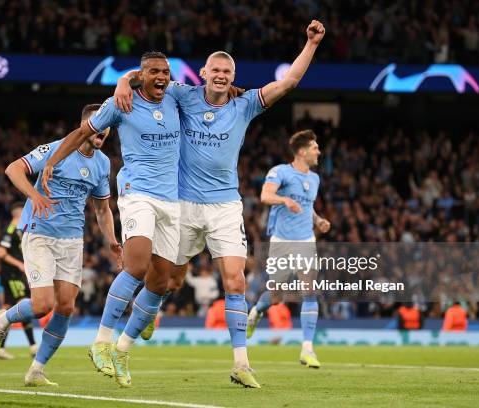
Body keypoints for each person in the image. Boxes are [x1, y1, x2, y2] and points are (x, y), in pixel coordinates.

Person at [114, 20, 326, 388]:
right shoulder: (182, 95)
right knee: (167, 282)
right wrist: (123, 81)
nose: (222, 76)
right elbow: (150, 76)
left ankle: (240, 363)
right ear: (203, 73)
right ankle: (126, 338)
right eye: (216, 70)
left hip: (225, 206)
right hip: (181, 204)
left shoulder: (245, 104)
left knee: (235, 280)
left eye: (228, 71)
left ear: (234, 76)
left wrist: (310, 43)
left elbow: (288, 82)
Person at [41, 51, 181, 388]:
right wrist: (52, 161)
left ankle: (122, 348)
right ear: (140, 75)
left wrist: (233, 91)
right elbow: (80, 132)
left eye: (165, 72)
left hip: (172, 198)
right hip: (138, 193)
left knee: (163, 283)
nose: (161, 77)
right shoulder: (120, 102)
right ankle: (101, 341)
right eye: (153, 72)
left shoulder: (178, 95)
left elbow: (211, 94)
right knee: (135, 265)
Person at [0, 104, 122, 387]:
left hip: (71, 241)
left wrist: (111, 239)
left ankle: (36, 370)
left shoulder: (102, 163)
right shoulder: (56, 150)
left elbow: (102, 208)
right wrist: (34, 195)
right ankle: (4, 319)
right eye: (98, 129)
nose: (102, 135)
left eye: (105, 132)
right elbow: (13, 170)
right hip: (40, 234)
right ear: (85, 125)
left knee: (65, 308)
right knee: (42, 305)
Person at [246, 130, 330, 369]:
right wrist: (284, 200)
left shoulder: (314, 179)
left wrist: (318, 220)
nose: (318, 151)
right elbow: (265, 196)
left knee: (309, 290)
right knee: (276, 296)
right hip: (281, 240)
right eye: (315, 148)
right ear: (302, 152)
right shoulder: (280, 172)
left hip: (305, 240)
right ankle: (256, 312)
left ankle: (307, 349)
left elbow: (308, 206)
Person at [0, 202, 38, 359]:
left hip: (13, 275)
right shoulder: (11, 229)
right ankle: (33, 346)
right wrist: (19, 264)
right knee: (23, 304)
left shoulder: (20, 229)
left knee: (7, 309)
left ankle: (0, 348)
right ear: (18, 213)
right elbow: (0, 251)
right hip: (12, 274)